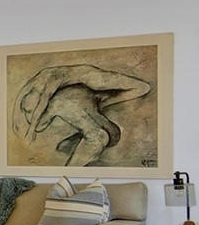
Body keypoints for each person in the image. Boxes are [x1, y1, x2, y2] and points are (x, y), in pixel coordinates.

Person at [13, 64, 152, 166]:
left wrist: (32, 128)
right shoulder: (76, 90)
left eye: (29, 109)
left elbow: (40, 122)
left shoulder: (57, 97)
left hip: (95, 126)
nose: (29, 111)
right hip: (103, 123)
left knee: (72, 159)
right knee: (82, 141)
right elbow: (42, 105)